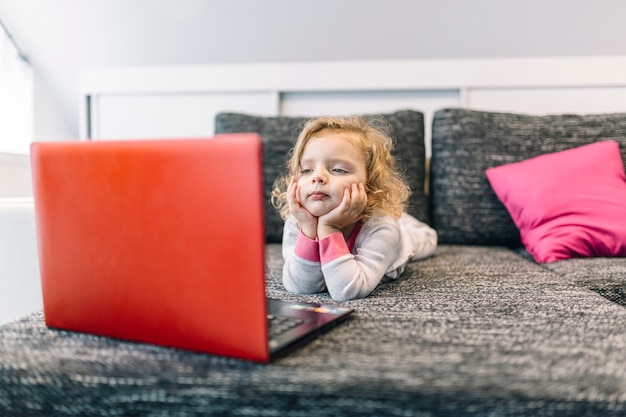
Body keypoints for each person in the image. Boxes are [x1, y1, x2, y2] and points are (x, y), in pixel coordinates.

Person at [271, 115, 437, 301]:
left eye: (338, 170)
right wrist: (310, 231)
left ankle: (401, 218)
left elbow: (347, 291)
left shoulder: (382, 229)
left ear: (371, 187)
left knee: (427, 238)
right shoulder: (298, 222)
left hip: (403, 239)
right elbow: (301, 287)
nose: (317, 177)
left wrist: (328, 228)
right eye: (307, 170)